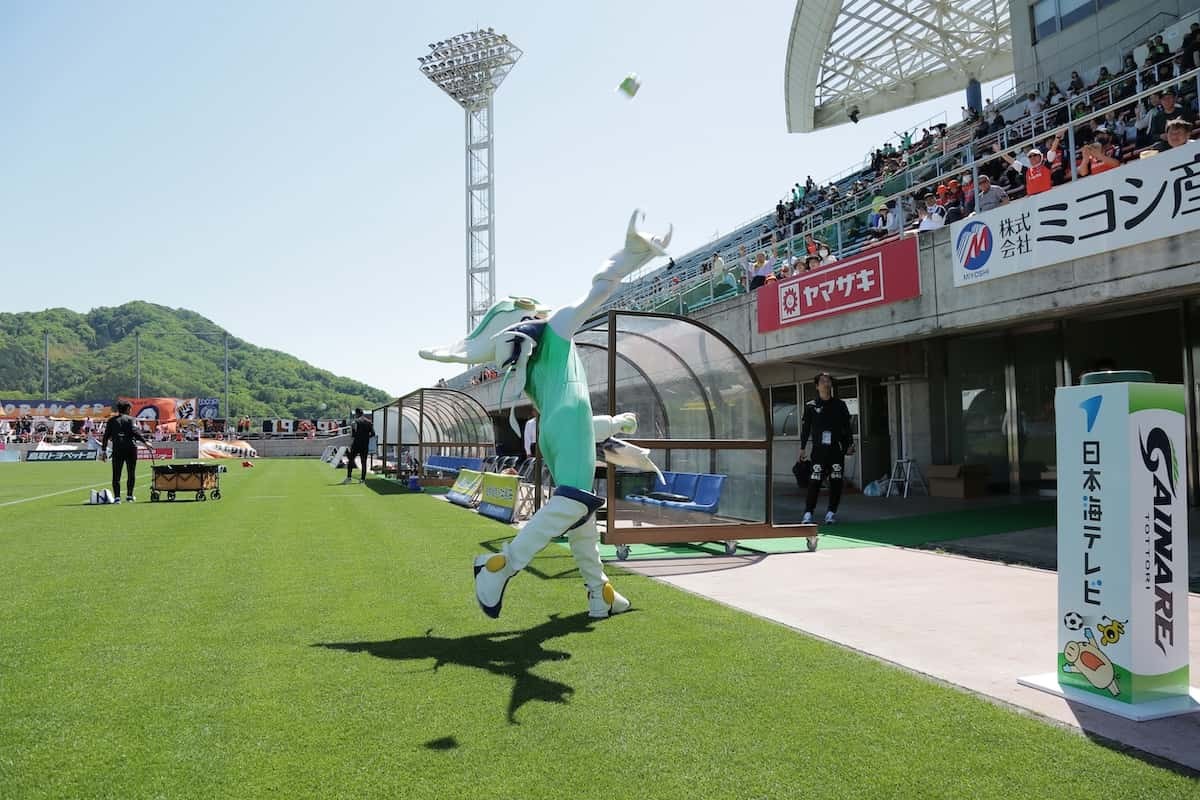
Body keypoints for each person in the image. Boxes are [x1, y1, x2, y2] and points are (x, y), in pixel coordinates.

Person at [798, 373, 854, 525]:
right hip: (818, 450)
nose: (826, 383)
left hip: (835, 450)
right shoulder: (811, 406)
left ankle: (831, 513)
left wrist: (850, 443)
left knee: (836, 481)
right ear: (817, 386)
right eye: (822, 381)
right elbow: (806, 429)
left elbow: (846, 427)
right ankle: (808, 513)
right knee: (814, 481)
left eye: (828, 381)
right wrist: (802, 448)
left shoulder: (840, 405)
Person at [100, 400, 150, 503]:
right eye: (130, 409)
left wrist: (104, 450)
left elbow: (105, 437)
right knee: (131, 473)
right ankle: (129, 496)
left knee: (116, 474)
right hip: (130, 449)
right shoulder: (131, 419)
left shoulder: (111, 420)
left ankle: (117, 497)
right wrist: (145, 442)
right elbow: (135, 432)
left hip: (117, 449)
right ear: (127, 409)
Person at [343, 408, 375, 484]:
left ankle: (349, 478)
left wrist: (357, 436)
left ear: (357, 413)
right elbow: (373, 434)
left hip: (356, 444)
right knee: (363, 462)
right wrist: (366, 437)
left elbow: (353, 434)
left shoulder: (355, 421)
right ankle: (362, 479)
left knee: (351, 460)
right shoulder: (369, 422)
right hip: (365, 444)